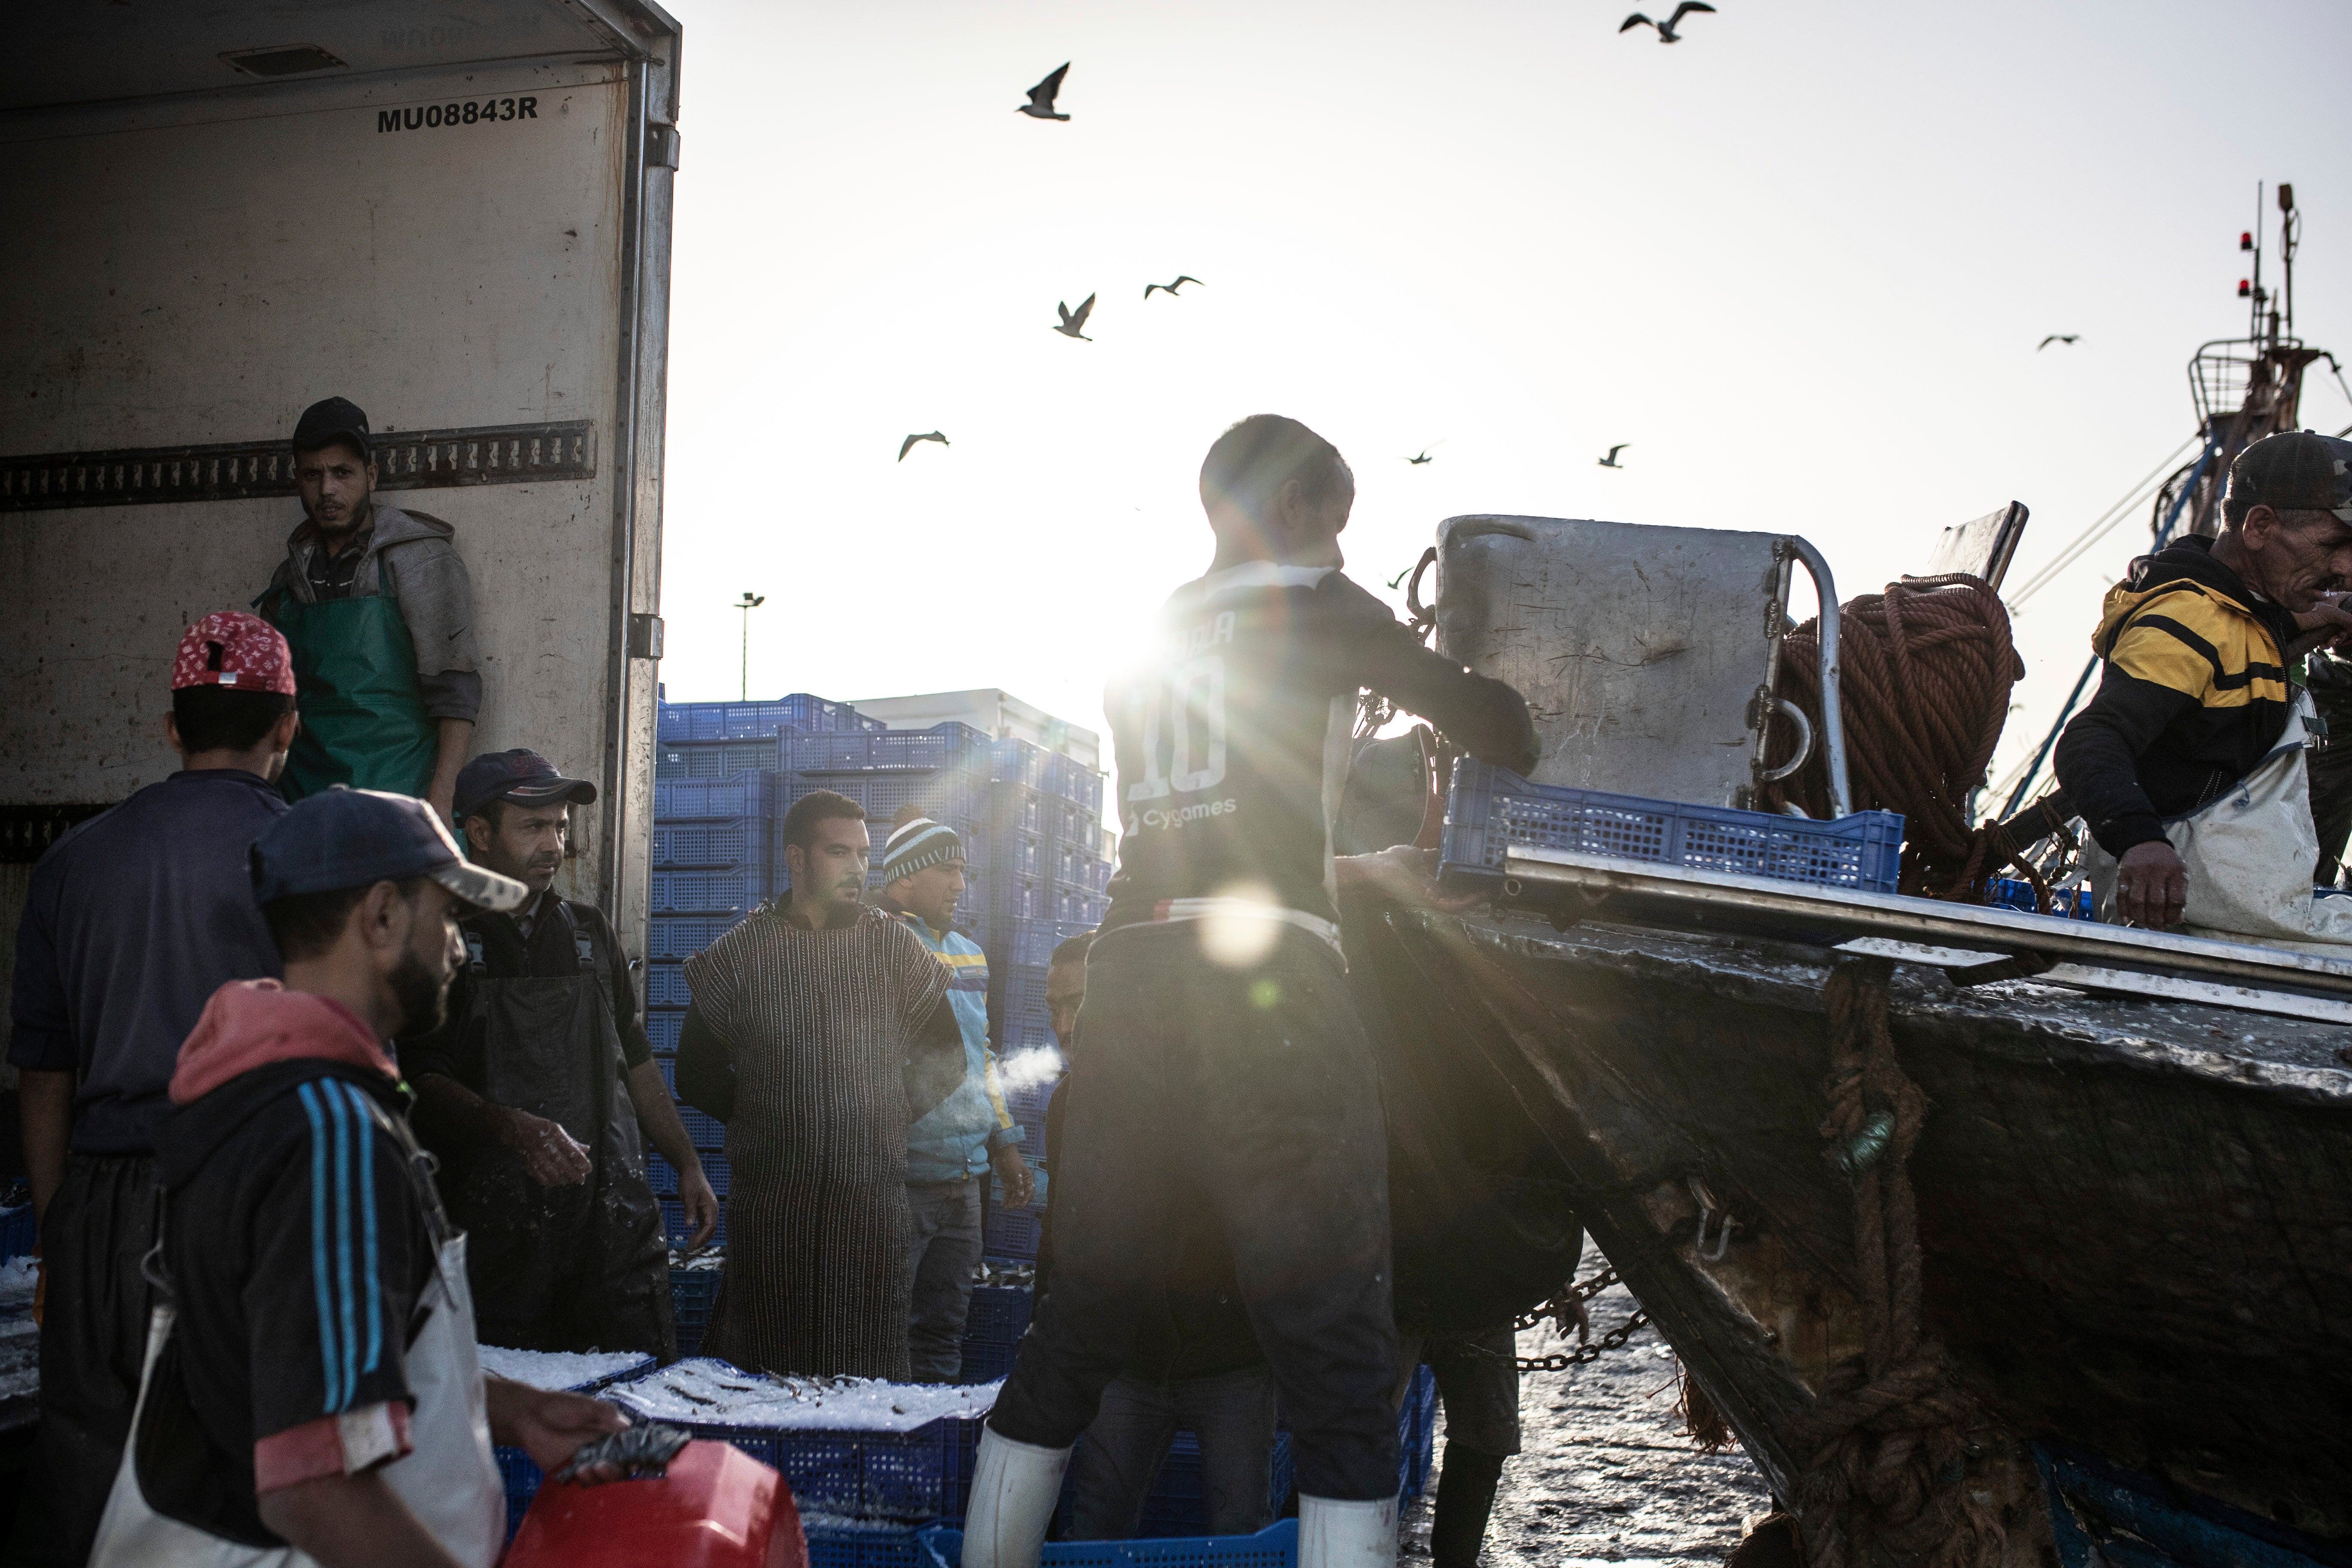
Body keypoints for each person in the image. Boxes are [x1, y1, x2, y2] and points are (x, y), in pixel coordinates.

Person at [968, 414, 1540, 1568]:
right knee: (1332, 1340)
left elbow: (1221, 814)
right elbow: (1506, 733)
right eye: (1335, 523)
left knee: (1076, 1322)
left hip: (1131, 969)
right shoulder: (1326, 610)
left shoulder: (1157, 630)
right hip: (1271, 977)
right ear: (1290, 509)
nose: (1339, 549)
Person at [88, 786, 629, 1568]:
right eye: (445, 917)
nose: (455, 949)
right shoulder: (331, 1130)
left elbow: (294, 1357)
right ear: (380, 916)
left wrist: (517, 1410)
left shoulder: (258, 1092)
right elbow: (313, 1487)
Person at [4, 613, 300, 1568]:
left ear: (172, 729)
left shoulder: (73, 862)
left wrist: (61, 1232)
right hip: (249, 1206)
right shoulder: (314, 858)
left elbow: (43, 1070)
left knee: (89, 1477)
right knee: (240, 1492)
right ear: (288, 726)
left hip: (99, 1206)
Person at [401, 749, 717, 1359]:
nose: (554, 845)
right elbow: (417, 1078)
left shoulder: (589, 933)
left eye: (561, 827)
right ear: (482, 834)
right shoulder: (441, 938)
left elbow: (637, 1059)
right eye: (534, 827)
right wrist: (505, 1126)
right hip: (493, 1234)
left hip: (608, 1230)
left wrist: (686, 1162)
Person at [672, 789, 968, 1379]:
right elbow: (695, 1074)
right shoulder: (743, 954)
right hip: (772, 1215)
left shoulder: (892, 948)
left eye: (863, 853)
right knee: (765, 1379)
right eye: (840, 852)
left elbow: (948, 1057)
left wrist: (878, 1116)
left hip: (870, 1215)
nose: (858, 867)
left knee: (866, 1382)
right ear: (798, 859)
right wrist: (772, 1119)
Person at [2055, 431, 2352, 942]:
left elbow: (2244, 643)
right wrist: (2141, 843)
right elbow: (2092, 739)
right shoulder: (2188, 620)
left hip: (2246, 911)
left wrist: (2307, 625)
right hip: (2206, 923)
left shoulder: (2245, 615)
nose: (2346, 568)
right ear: (2260, 527)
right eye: (2333, 546)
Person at [1038, 931, 1280, 1541]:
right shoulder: (1069, 1106)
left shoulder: (1225, 1085)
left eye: (1080, 1003)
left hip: (1234, 1364)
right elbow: (1063, 1236)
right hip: (1127, 1366)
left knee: (1240, 1536)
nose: (1065, 1027)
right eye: (1054, 1008)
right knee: (1096, 1528)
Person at [257, 396, 482, 823]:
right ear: (297, 482)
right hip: (306, 806)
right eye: (313, 475)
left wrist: (441, 803)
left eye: (343, 473)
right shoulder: (287, 580)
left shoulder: (420, 562)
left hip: (401, 803)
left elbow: (457, 695)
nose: (328, 490)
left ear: (371, 476)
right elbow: (274, 711)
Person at [874, 806, 1036, 1382]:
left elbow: (982, 1059)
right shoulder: (879, 941)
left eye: (963, 870)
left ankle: (930, 1447)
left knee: (943, 1332)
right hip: (900, 1182)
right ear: (908, 875)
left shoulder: (970, 954)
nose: (960, 884)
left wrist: (1006, 1144)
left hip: (964, 1185)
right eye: (948, 868)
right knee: (884, 1335)